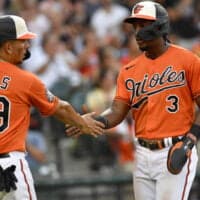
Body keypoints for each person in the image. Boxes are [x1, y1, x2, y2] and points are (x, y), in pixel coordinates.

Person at [66, 1, 200, 200]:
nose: (137, 31)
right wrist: (96, 122)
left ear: (161, 26)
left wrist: (190, 141)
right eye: (135, 26)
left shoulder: (188, 61)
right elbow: (117, 111)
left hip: (174, 149)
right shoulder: (129, 70)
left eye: (143, 25)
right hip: (142, 153)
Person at [0, 15, 104, 200]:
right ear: (8, 47)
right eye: (23, 41)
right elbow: (61, 108)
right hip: (10, 166)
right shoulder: (25, 80)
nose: (27, 45)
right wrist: (82, 123)